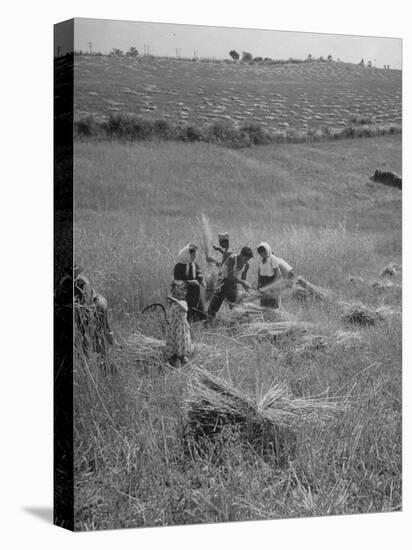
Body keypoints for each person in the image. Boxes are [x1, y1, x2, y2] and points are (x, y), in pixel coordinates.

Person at [206, 246, 254, 322]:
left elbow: (243, 279)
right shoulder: (232, 259)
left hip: (233, 283)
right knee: (215, 303)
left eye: (248, 260)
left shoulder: (246, 266)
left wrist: (247, 289)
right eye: (245, 259)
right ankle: (208, 321)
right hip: (222, 281)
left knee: (235, 303)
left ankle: (235, 322)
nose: (246, 261)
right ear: (241, 255)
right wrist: (242, 282)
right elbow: (230, 276)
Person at [173, 243, 206, 322]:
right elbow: (178, 282)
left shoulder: (195, 265)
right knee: (186, 313)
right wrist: (189, 282)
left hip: (195, 293)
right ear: (187, 255)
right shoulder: (178, 267)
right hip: (184, 294)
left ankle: (198, 328)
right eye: (193, 254)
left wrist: (201, 279)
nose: (195, 256)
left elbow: (199, 275)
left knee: (200, 312)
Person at [164, 280, 193, 366]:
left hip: (181, 328)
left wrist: (176, 300)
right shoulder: (172, 305)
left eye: (179, 295)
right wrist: (168, 321)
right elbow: (170, 314)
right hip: (173, 327)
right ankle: (173, 358)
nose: (176, 297)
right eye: (175, 295)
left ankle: (182, 358)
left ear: (184, 294)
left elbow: (186, 309)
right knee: (173, 343)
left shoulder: (183, 303)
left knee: (180, 343)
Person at [256, 242, 294, 308]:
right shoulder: (261, 260)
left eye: (263, 251)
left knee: (274, 304)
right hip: (266, 283)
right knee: (264, 304)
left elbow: (289, 273)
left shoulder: (275, 260)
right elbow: (260, 273)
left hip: (274, 283)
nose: (261, 253)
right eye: (260, 252)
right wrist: (259, 284)